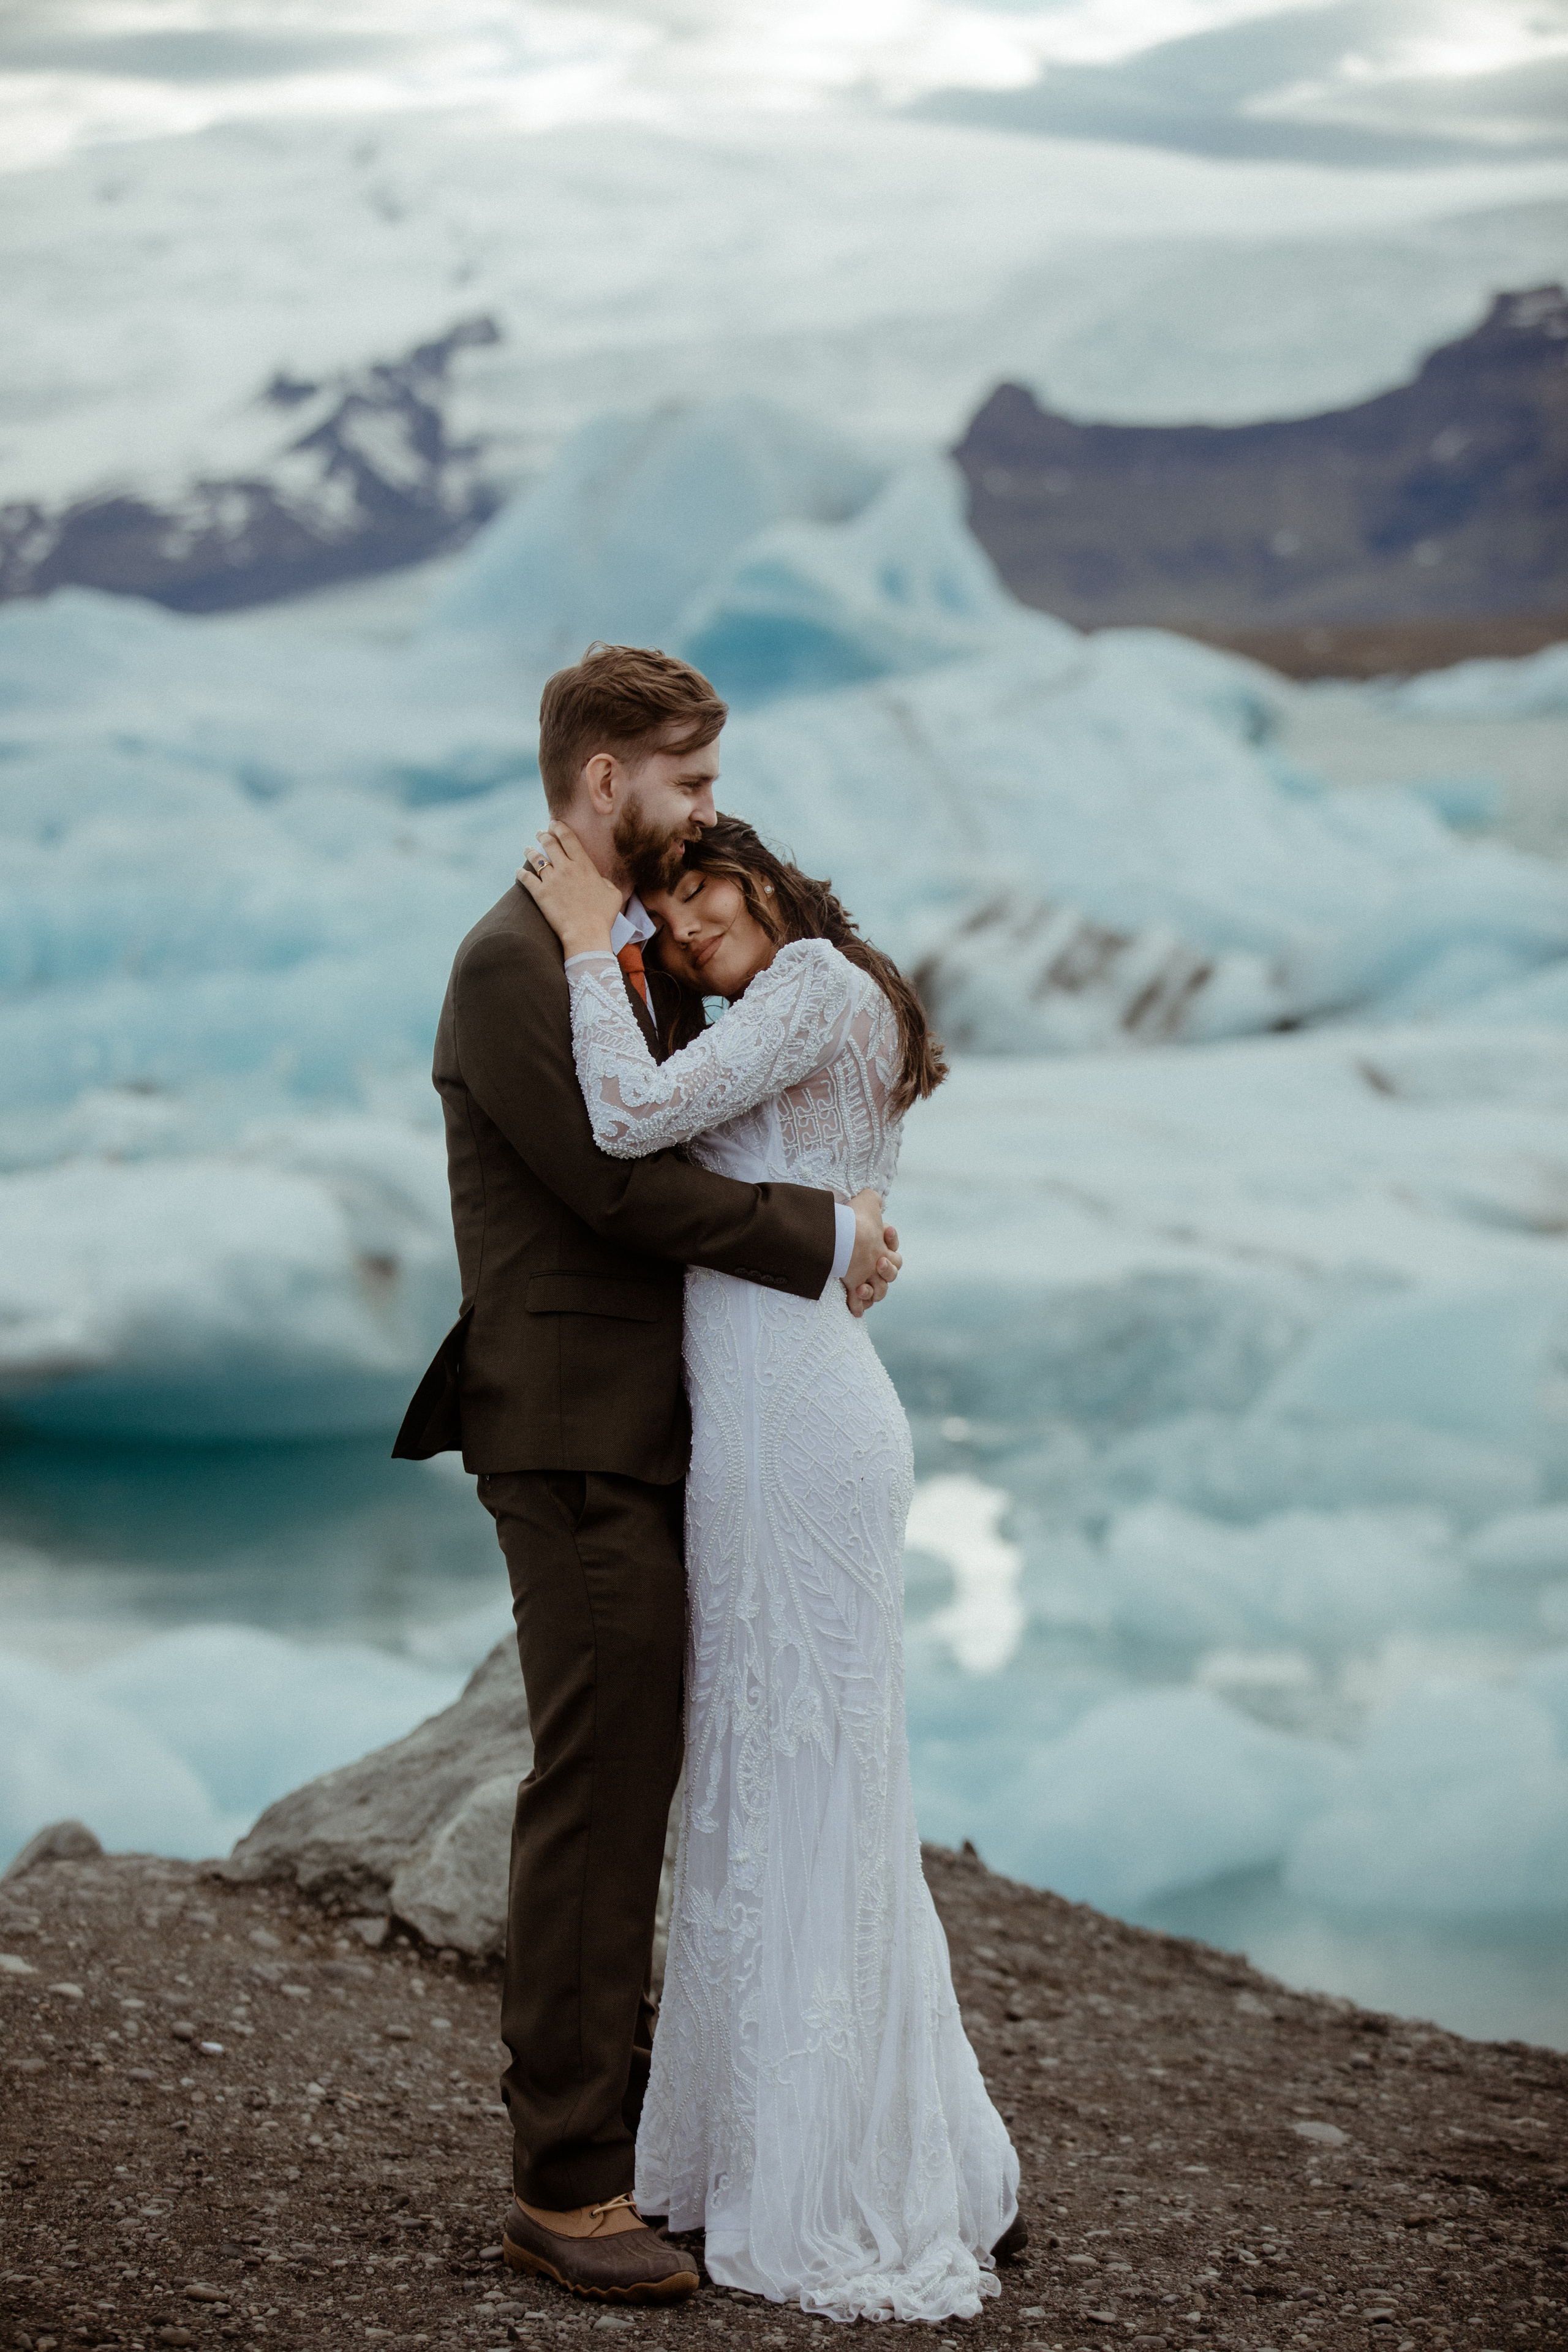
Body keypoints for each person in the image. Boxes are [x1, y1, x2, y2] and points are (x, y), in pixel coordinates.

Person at [392, 644, 901, 2307]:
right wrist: (820, 1239)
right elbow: (616, 1197)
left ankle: (671, 2150)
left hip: (670, 1428)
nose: (706, 810)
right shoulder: (503, 965)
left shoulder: (633, 953)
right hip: (572, 1434)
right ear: (603, 779)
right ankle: (566, 2184)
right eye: (682, 780)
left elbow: (715, 1116)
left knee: (664, 1788)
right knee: (600, 1794)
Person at [518, 808, 1022, 2323]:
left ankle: (833, 2172)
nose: (678, 929)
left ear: (761, 875)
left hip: (798, 1432)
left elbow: (624, 1122)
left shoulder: (805, 979)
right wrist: (839, 1224)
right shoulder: (799, 1002)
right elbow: (807, 1192)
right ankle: (768, 2146)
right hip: (764, 1427)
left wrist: (582, 955)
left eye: (693, 896)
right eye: (658, 916)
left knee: (807, 1785)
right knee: (769, 1781)